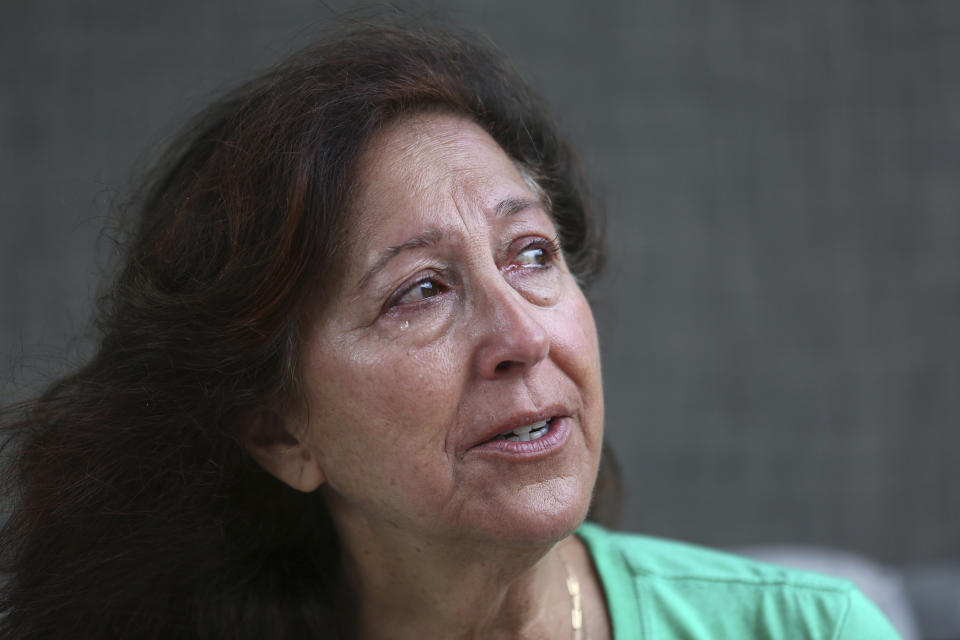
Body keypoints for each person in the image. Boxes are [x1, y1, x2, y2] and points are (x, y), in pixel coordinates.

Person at [0, 21, 901, 639]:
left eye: (533, 255)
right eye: (421, 291)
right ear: (280, 431)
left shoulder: (813, 628)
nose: (521, 334)